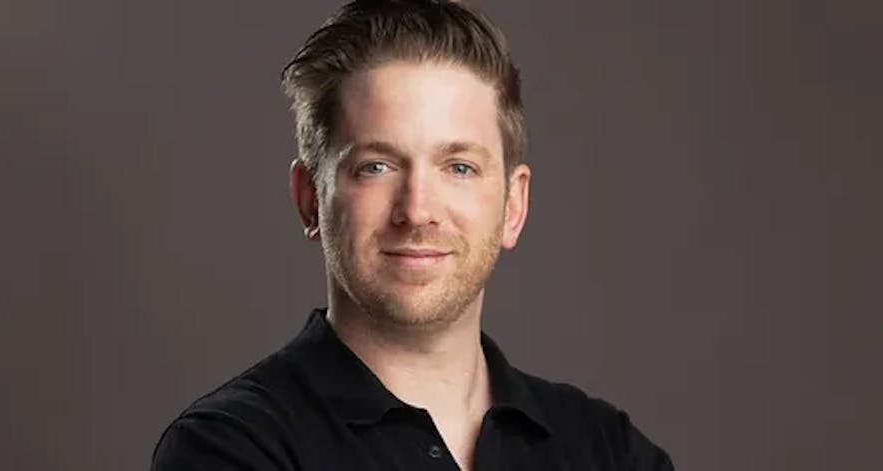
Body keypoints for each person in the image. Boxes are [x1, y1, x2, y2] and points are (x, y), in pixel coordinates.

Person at [151, 1, 674, 469]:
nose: (417, 211)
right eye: (376, 167)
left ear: (514, 205)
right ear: (311, 199)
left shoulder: (608, 450)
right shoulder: (230, 448)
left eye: (459, 167)